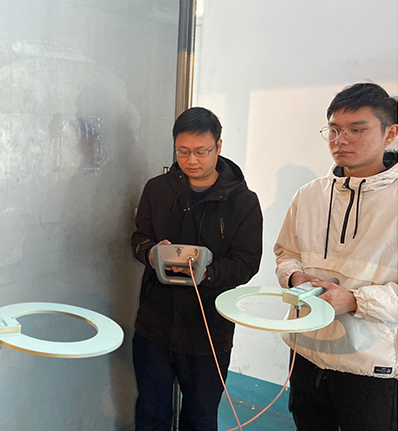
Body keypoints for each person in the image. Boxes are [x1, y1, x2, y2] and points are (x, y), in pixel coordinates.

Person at [274, 83, 398, 431]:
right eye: (334, 130)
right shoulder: (309, 195)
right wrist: (295, 277)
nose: (340, 140)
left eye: (356, 130)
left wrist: (356, 301)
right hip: (306, 352)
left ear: (390, 134)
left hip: (371, 365)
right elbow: (286, 253)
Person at [131, 107, 263, 430]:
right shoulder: (157, 190)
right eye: (183, 151)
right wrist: (151, 254)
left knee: (201, 417)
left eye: (201, 151)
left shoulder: (243, 201)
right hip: (155, 324)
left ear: (219, 146)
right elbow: (138, 238)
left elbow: (248, 262)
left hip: (209, 330)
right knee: (151, 411)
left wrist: (208, 273)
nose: (191, 160)